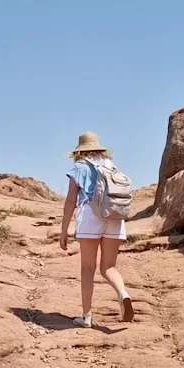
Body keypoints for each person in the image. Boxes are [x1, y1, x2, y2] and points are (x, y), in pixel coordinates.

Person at [59, 131, 134, 328]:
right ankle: (122, 293)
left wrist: (64, 230)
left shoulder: (79, 167)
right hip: (114, 215)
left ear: (79, 151)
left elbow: (71, 201)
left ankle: (86, 316)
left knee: (88, 268)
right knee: (108, 267)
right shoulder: (111, 165)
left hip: (90, 216)